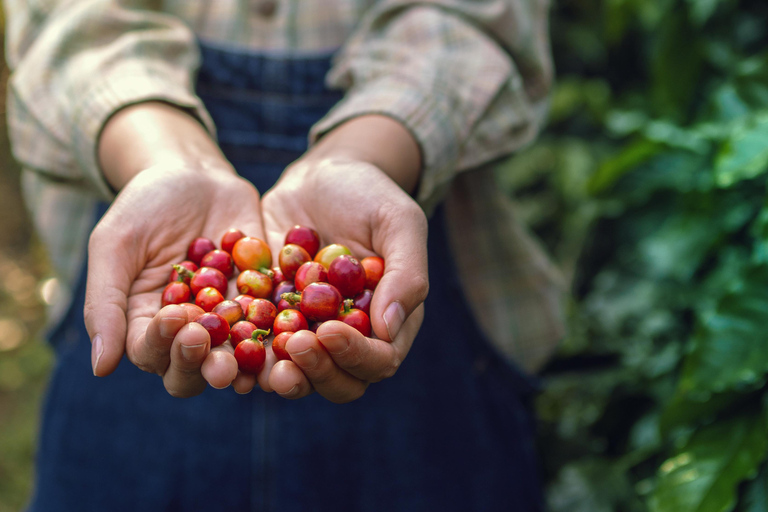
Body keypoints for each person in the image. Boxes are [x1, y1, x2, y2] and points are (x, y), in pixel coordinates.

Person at [5, 0, 566, 510]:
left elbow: (473, 23)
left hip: (435, 371)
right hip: (141, 309)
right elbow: (68, 23)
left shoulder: (249, 287)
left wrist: (367, 151)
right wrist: (157, 153)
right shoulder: (235, 286)